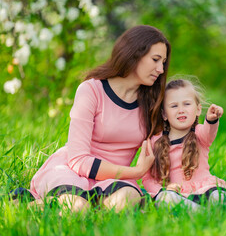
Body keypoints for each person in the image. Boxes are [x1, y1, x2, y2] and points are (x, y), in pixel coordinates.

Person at [11, 25, 171, 212]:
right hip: (71, 171)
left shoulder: (153, 103)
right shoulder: (91, 90)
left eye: (163, 62)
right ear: (134, 54)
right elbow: (78, 160)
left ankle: (79, 205)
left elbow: (170, 148)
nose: (160, 69)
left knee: (125, 202)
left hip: (114, 180)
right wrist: (135, 172)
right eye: (155, 60)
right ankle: (32, 204)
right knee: (77, 207)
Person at [142, 79, 226, 210]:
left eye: (186, 104)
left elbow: (209, 132)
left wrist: (211, 120)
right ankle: (203, 214)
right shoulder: (155, 142)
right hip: (177, 195)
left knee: (218, 196)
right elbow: (147, 178)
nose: (181, 110)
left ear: (198, 109)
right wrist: (162, 190)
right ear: (164, 114)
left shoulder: (199, 134)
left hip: (204, 190)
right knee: (165, 199)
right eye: (174, 106)